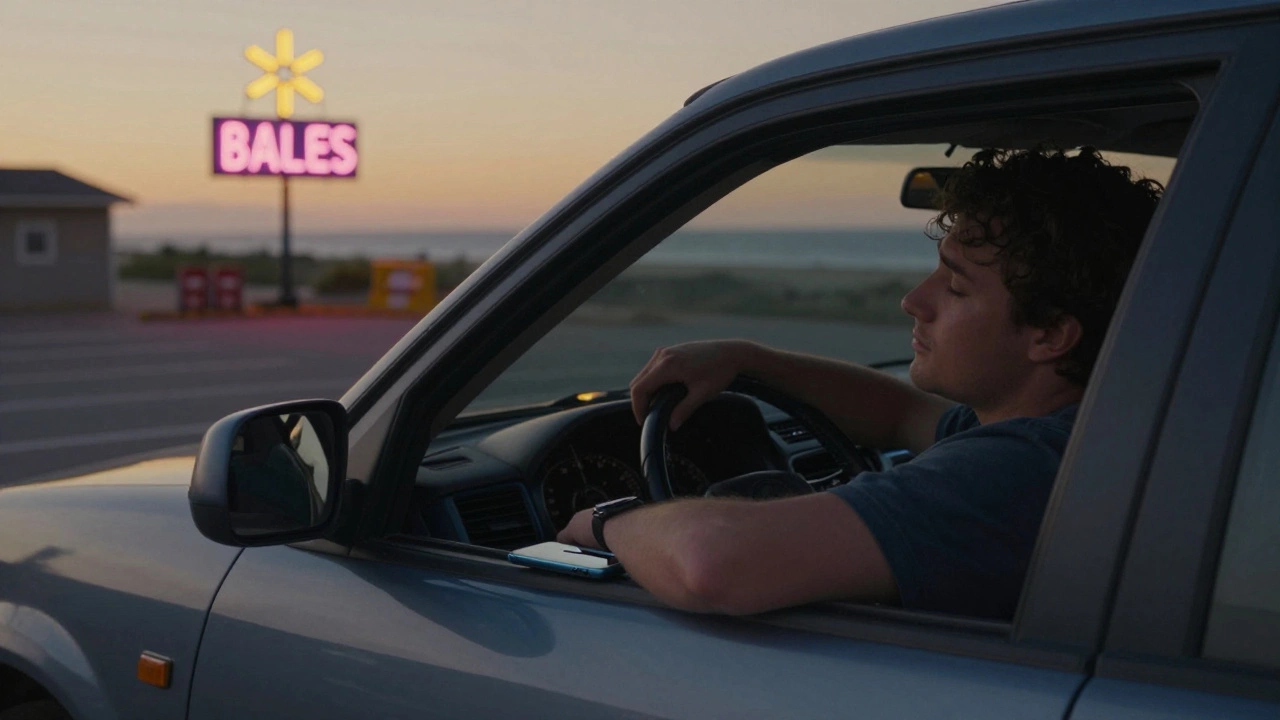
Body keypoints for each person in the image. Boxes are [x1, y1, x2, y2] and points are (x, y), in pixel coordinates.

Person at [557, 147, 1164, 619]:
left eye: (955, 288)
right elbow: (898, 410)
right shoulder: (1075, 429)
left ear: (1052, 334)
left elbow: (714, 564)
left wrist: (608, 521)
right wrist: (747, 359)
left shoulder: (1018, 472)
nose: (912, 301)